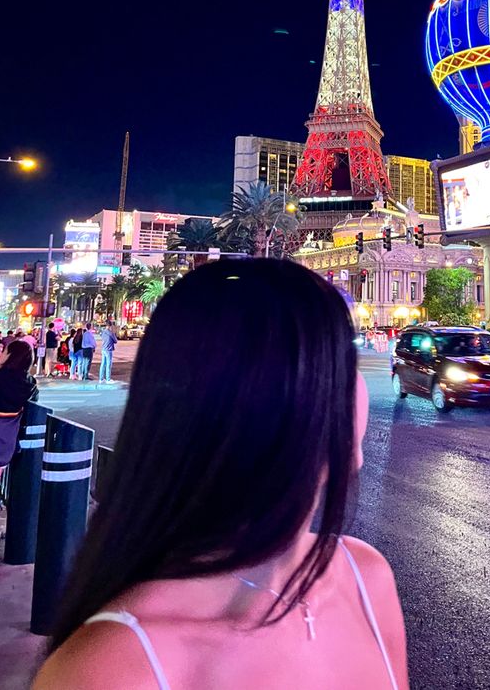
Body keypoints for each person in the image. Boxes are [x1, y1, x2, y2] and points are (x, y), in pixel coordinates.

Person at [33, 259, 408, 690]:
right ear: (279, 402)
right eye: (346, 366)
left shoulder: (366, 577)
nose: (358, 388)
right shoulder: (114, 668)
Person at [0, 341, 39, 483]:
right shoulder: (29, 383)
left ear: (10, 356)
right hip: (6, 443)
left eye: (4, 352)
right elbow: (34, 403)